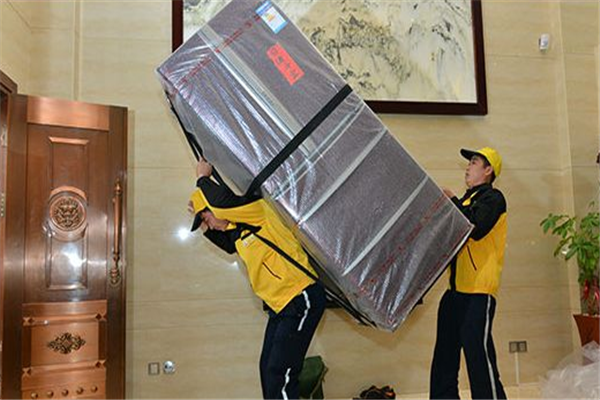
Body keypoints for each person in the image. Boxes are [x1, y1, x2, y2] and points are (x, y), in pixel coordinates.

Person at [188, 158, 326, 400]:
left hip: (300, 297)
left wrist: (202, 179)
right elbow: (228, 244)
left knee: (279, 373)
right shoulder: (241, 234)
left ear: (214, 209)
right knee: (268, 370)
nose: (209, 224)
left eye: (206, 218)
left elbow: (222, 203)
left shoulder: (257, 214)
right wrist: (206, 227)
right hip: (281, 307)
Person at [430, 147, 508, 399]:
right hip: (454, 292)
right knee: (444, 358)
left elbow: (475, 227)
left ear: (488, 170)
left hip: (478, 292)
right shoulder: (465, 201)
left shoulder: (493, 198)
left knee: (478, 359)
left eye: (474, 162)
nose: (468, 166)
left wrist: (451, 200)